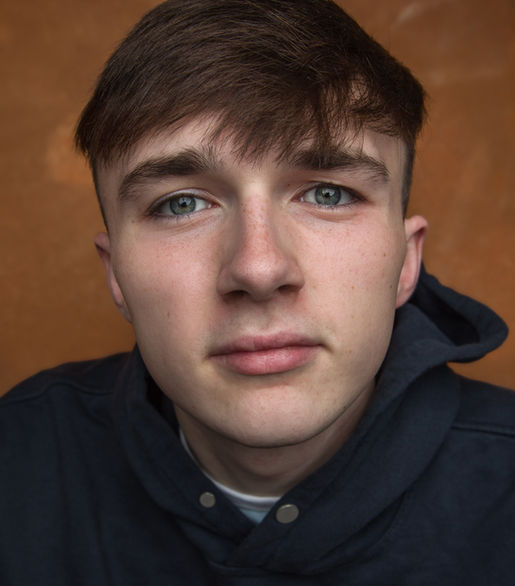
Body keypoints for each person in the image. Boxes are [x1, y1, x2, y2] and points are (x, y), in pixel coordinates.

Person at [1, 0, 513, 583]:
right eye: (182, 204)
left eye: (327, 194)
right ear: (116, 273)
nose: (260, 268)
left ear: (406, 262)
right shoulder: (18, 459)